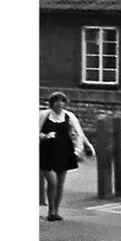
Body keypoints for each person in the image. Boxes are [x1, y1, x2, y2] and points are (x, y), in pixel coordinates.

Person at [39, 91, 94, 222]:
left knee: (60, 184)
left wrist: (87, 146)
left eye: (62, 102)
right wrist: (45, 136)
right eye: (56, 102)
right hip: (47, 151)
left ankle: (55, 211)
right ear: (51, 104)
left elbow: (79, 133)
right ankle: (50, 210)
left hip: (64, 150)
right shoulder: (43, 115)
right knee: (52, 182)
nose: (59, 105)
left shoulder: (69, 116)